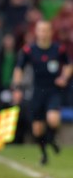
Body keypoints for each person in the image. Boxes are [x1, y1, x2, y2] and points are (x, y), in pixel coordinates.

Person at [12, 20, 73, 165]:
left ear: (51, 32)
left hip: (53, 90)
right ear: (36, 32)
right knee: (37, 130)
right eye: (41, 30)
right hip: (37, 92)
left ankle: (51, 139)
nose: (43, 33)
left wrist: (64, 77)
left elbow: (69, 65)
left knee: (53, 119)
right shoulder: (29, 50)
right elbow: (19, 68)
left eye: (46, 30)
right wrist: (17, 88)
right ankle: (44, 153)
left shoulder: (58, 49)